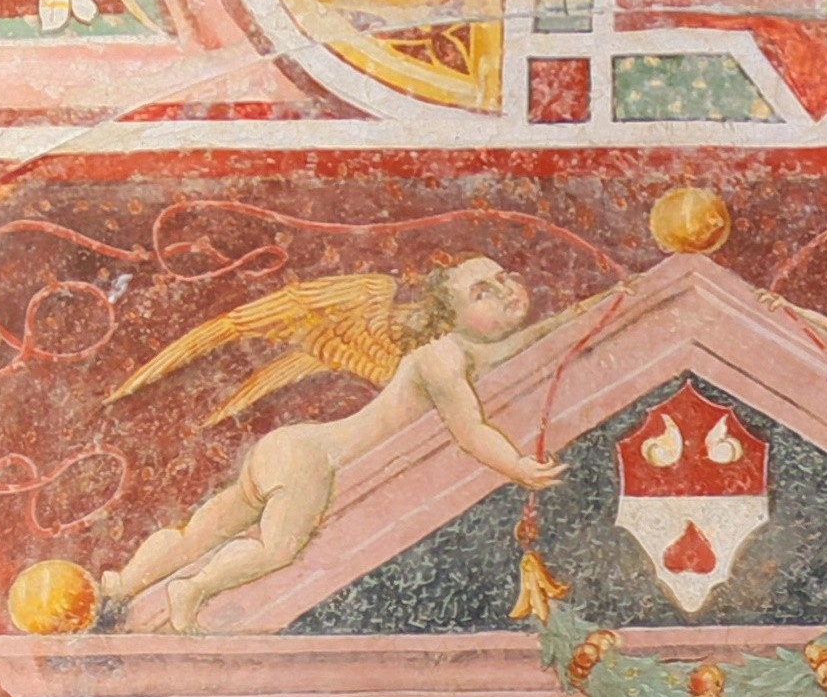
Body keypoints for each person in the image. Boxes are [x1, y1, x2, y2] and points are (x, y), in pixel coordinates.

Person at [99, 254, 561, 633]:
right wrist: (518, 467)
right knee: (276, 549)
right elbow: (470, 430)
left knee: (203, 529)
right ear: (450, 314)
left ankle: (123, 584)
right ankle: (193, 589)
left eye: (503, 279)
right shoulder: (440, 358)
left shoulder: (459, 351)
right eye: (483, 292)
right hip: (311, 459)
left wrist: (579, 314)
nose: (504, 293)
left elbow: (514, 348)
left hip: (293, 447)